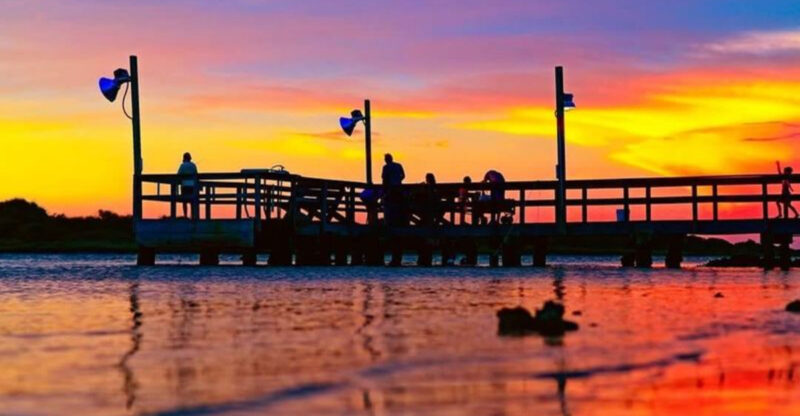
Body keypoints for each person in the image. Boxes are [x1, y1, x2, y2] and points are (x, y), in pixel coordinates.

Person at [381, 153, 406, 226]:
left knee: (389, 206)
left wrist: (384, 189)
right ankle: (399, 221)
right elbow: (403, 175)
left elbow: (384, 178)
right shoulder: (398, 165)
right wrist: (398, 181)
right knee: (398, 205)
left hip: (390, 189)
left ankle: (389, 222)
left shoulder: (386, 167)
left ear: (386, 160)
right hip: (399, 188)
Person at [177, 152, 198, 218]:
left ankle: (185, 215)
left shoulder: (182, 165)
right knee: (192, 201)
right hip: (192, 186)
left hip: (184, 186)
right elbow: (196, 175)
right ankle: (193, 216)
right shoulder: (193, 165)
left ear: (184, 158)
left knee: (184, 201)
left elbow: (178, 175)